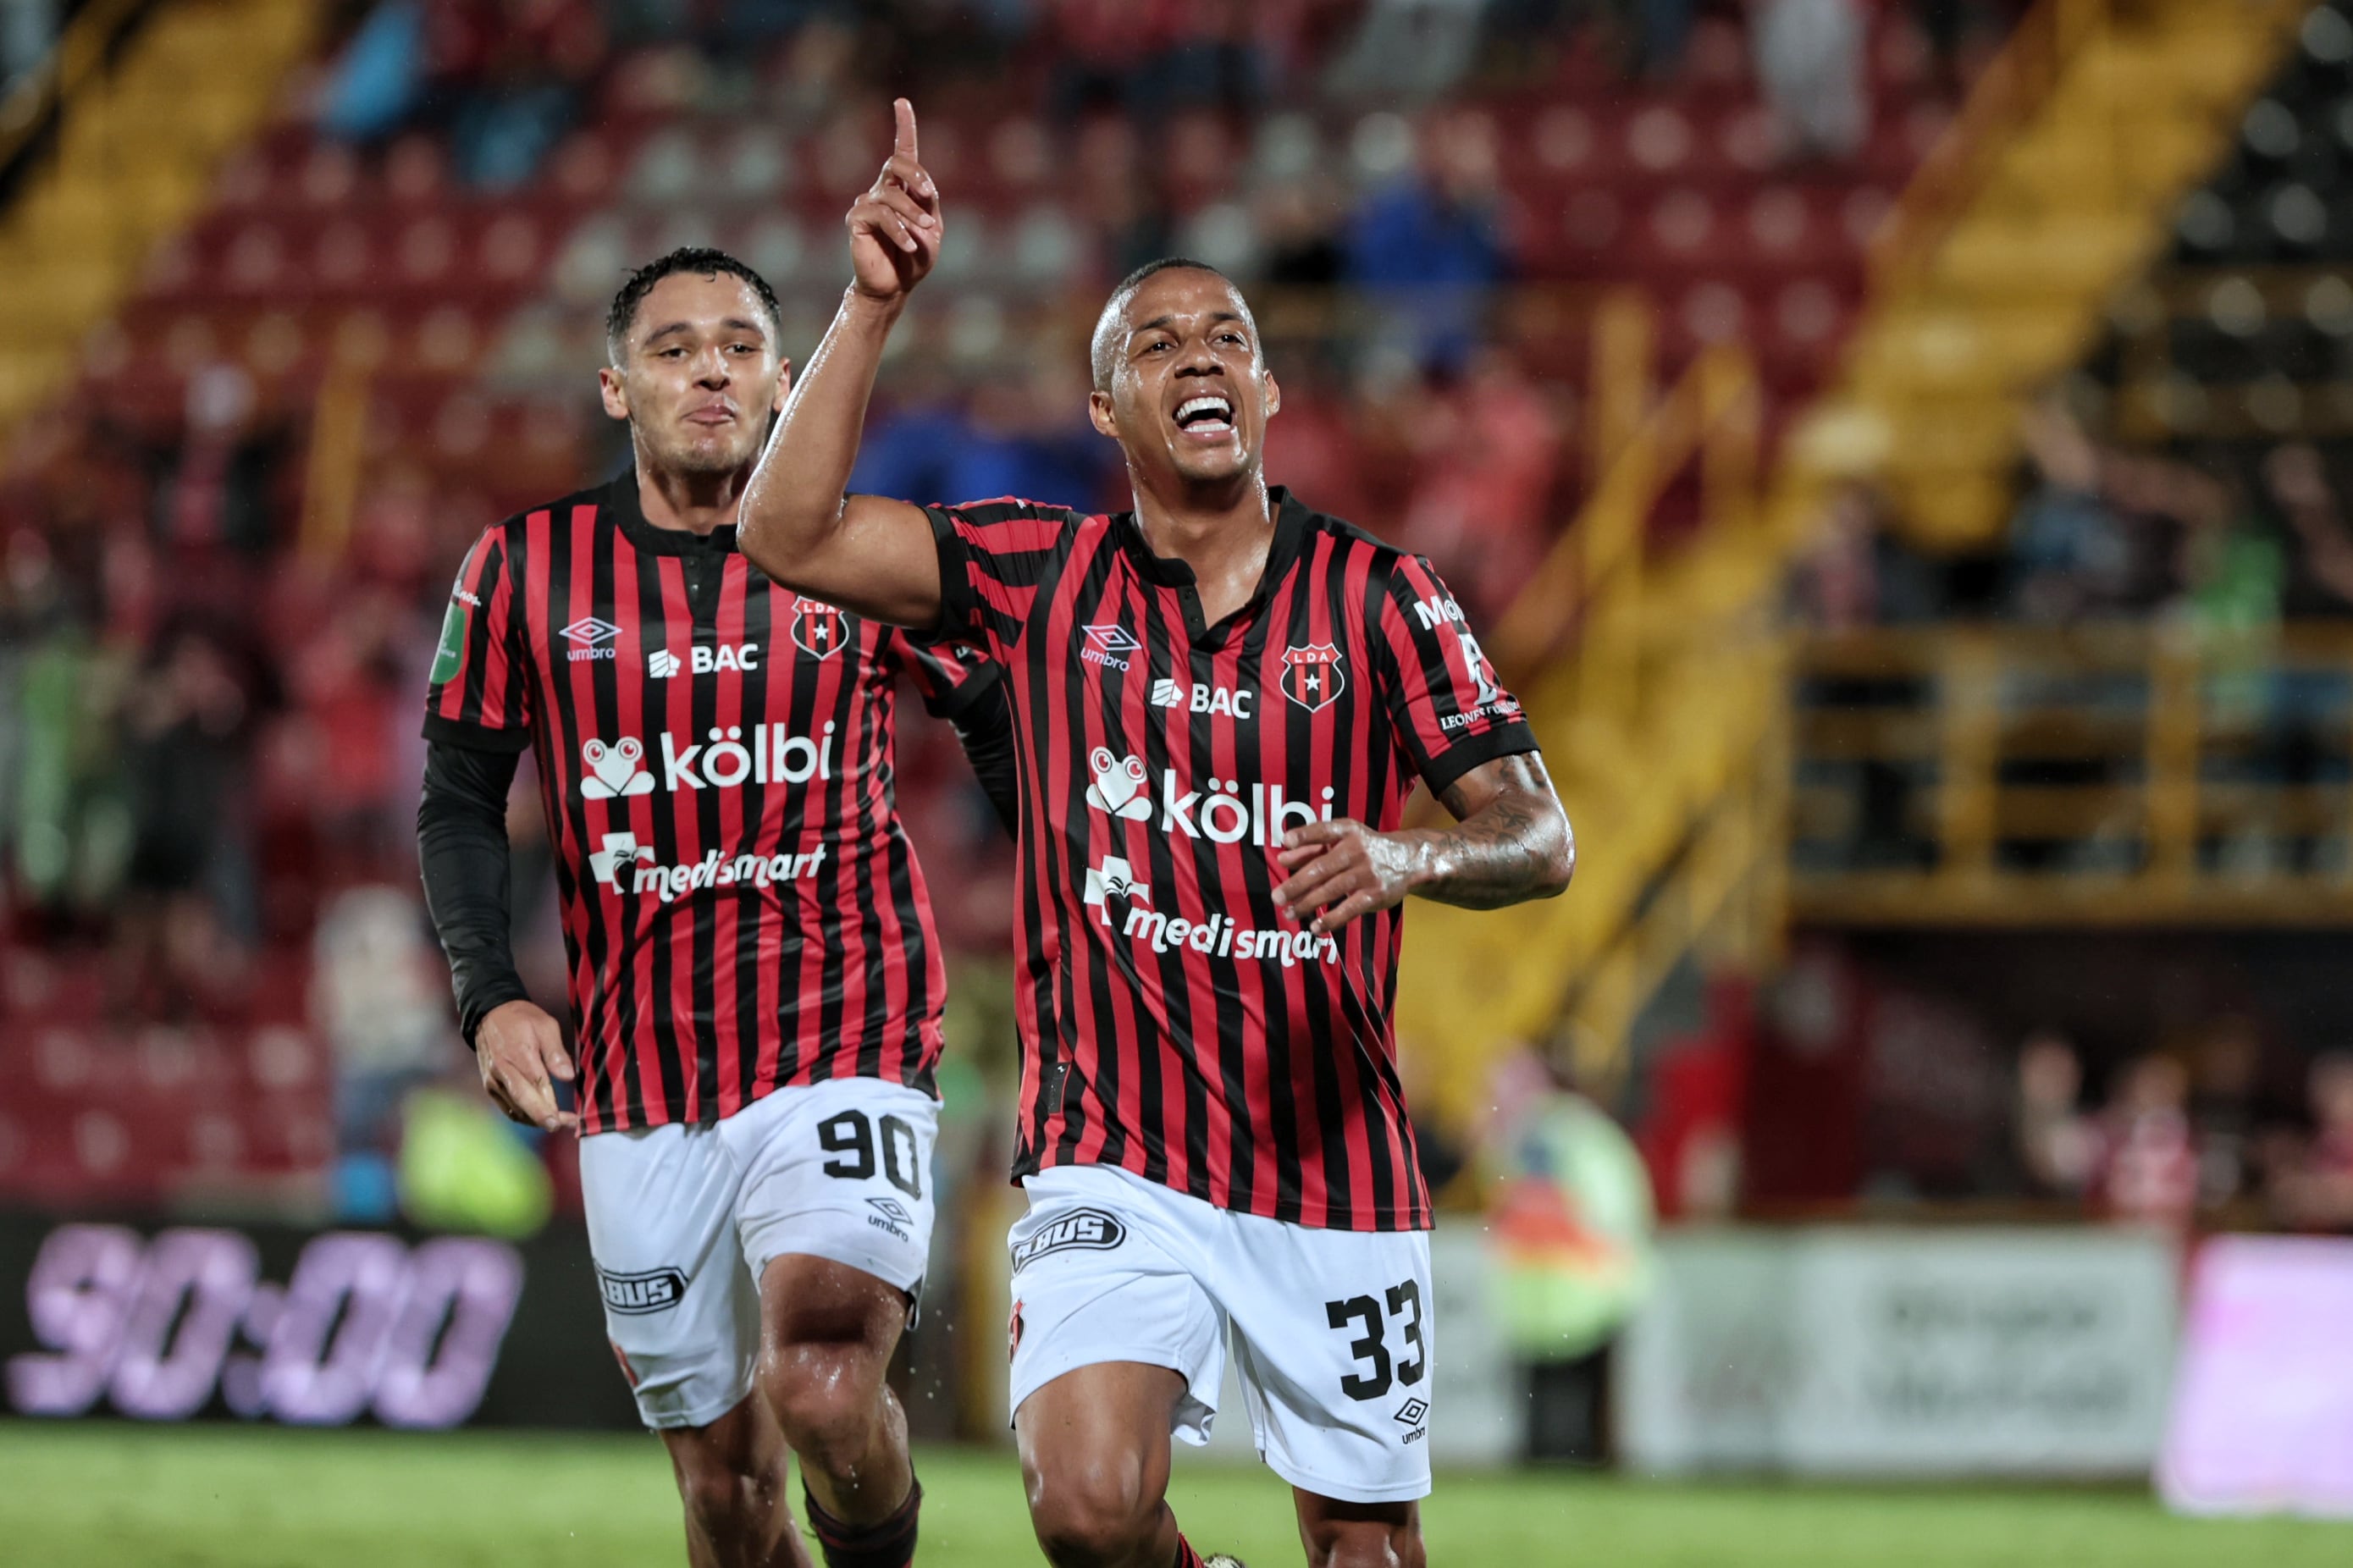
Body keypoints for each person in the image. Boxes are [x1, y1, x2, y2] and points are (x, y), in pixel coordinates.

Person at [737, 102, 1576, 1568]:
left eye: (1229, 338)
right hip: (1112, 1156)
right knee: (1085, 1509)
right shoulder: (1036, 578)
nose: (1201, 356)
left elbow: (1538, 833)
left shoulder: (1385, 598)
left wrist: (1405, 858)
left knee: (1368, 1555)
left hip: (1335, 1163)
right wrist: (870, 308)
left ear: (1265, 394)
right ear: (1106, 410)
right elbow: (787, 536)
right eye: (1159, 342)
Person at [416, 246, 1018, 1568]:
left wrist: (1077, 907)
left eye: (741, 346)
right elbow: (459, 793)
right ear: (615, 386)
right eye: (675, 347)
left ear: (787, 379)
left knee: (821, 1385)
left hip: (846, 1035)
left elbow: (1003, 727)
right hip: (642, 1079)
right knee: (729, 1503)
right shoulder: (521, 569)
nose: (710, 370)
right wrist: (491, 995)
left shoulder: (858, 552)